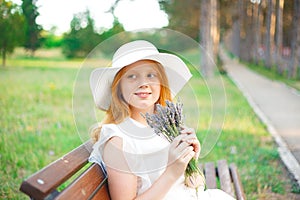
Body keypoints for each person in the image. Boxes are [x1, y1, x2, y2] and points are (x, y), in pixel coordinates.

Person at [89, 40, 235, 200]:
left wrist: (189, 160)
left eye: (151, 75)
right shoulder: (118, 140)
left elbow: (192, 183)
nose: (143, 83)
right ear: (119, 88)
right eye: (132, 76)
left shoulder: (165, 127)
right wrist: (172, 172)